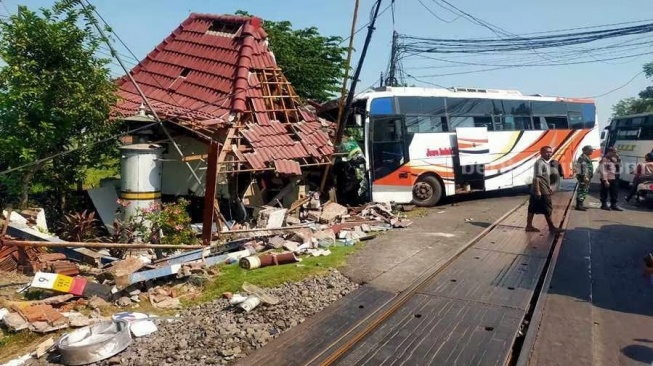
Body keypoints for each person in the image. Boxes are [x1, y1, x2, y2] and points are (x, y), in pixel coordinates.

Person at [526, 146, 563, 233]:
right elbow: (536, 178)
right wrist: (538, 191)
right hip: (541, 191)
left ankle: (529, 226)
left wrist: (549, 186)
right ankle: (551, 227)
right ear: (541, 153)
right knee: (548, 208)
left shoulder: (546, 163)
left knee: (532, 208)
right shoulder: (540, 163)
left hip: (543, 189)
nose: (549, 154)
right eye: (547, 152)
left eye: (550, 152)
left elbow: (545, 178)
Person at [598, 147, 623, 211]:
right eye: (614, 152)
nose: (616, 153)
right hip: (607, 178)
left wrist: (619, 159)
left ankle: (613, 205)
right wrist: (605, 180)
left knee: (614, 192)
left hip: (614, 177)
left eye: (616, 152)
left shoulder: (615, 159)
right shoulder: (604, 160)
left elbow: (620, 166)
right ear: (609, 152)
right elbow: (603, 170)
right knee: (604, 192)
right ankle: (604, 205)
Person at [574, 145, 595, 211]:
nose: (592, 151)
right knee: (582, 190)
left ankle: (581, 204)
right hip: (584, 177)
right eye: (590, 150)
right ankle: (579, 205)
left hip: (586, 177)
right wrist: (585, 176)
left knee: (584, 190)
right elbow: (583, 168)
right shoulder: (583, 158)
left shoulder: (586, 157)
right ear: (585, 150)